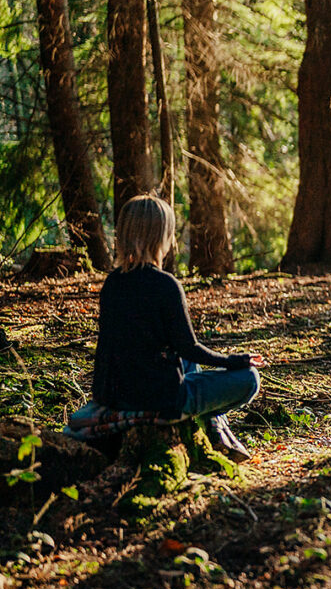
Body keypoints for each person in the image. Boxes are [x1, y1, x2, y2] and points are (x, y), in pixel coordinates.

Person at [89, 195, 263, 462]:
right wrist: (235, 361)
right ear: (160, 237)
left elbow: (109, 347)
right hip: (162, 401)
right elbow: (189, 347)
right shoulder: (165, 285)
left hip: (116, 395)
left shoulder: (112, 284)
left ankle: (217, 426)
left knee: (186, 363)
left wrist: (102, 395)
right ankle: (216, 424)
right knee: (250, 379)